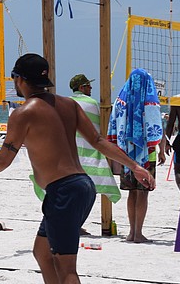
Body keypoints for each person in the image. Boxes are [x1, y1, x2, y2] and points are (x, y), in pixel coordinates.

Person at [0, 54, 154, 284]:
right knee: (41, 251)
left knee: (67, 268)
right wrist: (134, 166)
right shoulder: (69, 104)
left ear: (19, 80)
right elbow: (98, 142)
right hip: (82, 186)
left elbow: (3, 160)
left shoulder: (23, 113)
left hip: (65, 191)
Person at [31, 74, 121, 235]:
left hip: (67, 153)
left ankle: (70, 224)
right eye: (88, 86)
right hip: (89, 153)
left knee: (67, 193)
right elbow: (101, 129)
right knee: (88, 191)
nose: (91, 88)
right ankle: (77, 225)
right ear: (81, 88)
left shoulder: (64, 103)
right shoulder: (92, 103)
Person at [107, 68, 164, 243]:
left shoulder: (120, 100)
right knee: (143, 193)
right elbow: (156, 128)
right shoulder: (150, 101)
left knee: (131, 192)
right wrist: (161, 149)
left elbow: (112, 125)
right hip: (147, 153)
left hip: (125, 155)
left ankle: (132, 232)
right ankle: (138, 233)